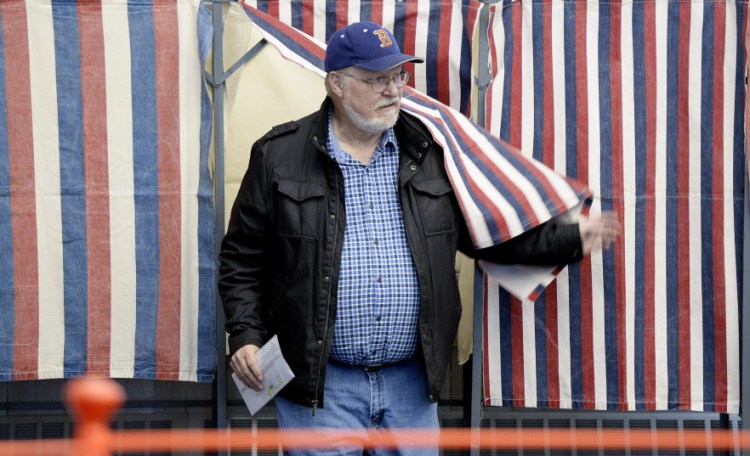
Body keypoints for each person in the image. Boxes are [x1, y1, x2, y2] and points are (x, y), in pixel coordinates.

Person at [219, 21, 620, 456]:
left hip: (410, 385)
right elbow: (243, 258)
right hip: (321, 384)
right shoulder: (278, 154)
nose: (393, 90)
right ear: (336, 82)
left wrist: (567, 238)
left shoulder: (432, 151)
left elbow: (486, 237)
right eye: (376, 80)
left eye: (398, 76)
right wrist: (245, 334)